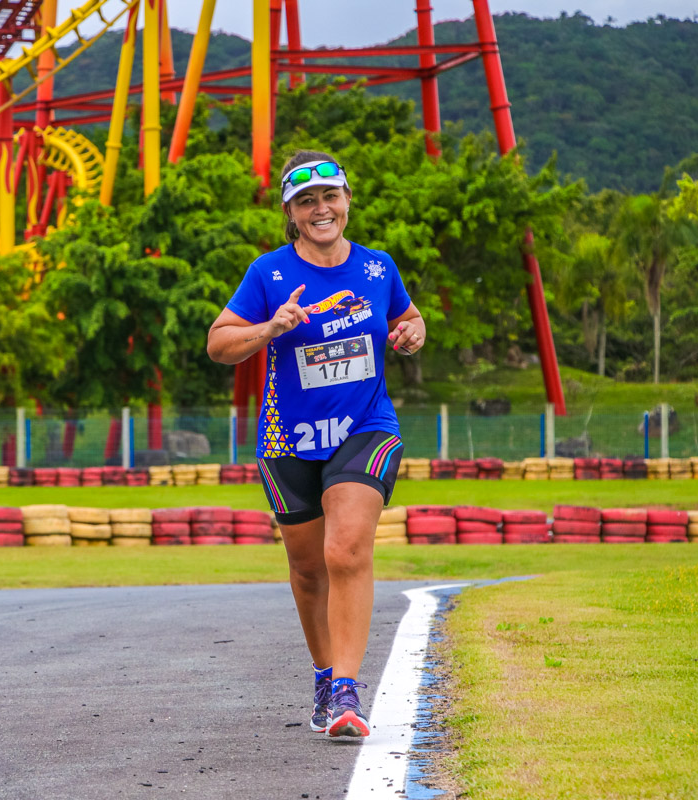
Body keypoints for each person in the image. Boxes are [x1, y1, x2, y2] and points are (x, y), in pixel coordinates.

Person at [206, 150, 426, 738]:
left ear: (347, 201)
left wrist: (411, 332)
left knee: (345, 550)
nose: (321, 208)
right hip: (288, 440)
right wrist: (270, 328)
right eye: (307, 202)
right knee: (307, 570)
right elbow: (219, 344)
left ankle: (349, 693)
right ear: (292, 213)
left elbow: (409, 317)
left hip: (365, 427)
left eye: (330, 196)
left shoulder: (379, 268)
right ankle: (326, 678)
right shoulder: (268, 273)